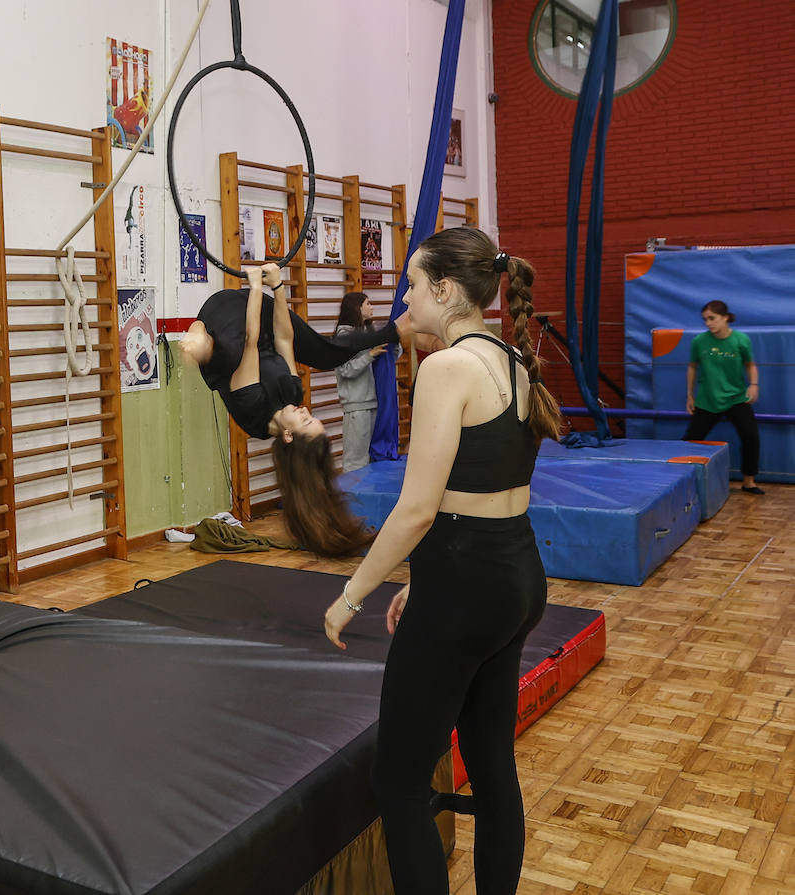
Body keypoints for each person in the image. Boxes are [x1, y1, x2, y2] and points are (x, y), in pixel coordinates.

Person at [322, 228, 561, 894]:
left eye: (411, 284)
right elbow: (477, 491)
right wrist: (425, 581)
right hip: (512, 577)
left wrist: (353, 594)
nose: (405, 298)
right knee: (491, 765)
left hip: (466, 585)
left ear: (444, 290)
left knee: (396, 781)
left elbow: (418, 508)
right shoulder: (511, 360)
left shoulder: (445, 367)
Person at [179, 263, 397, 556]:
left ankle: (195, 336)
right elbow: (284, 340)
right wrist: (278, 287)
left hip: (224, 321)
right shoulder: (292, 395)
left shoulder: (252, 409)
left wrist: (257, 286)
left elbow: (250, 343)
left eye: (306, 421)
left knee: (202, 347)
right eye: (314, 417)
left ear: (289, 436)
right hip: (261, 318)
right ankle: (396, 330)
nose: (307, 411)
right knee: (326, 354)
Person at [685, 300, 763, 494]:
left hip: (736, 398)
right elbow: (692, 367)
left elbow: (750, 364)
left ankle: (749, 481)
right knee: (691, 440)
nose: (708, 323)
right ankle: (682, 480)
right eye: (705, 320)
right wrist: (689, 395)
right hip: (708, 400)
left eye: (712, 318)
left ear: (725, 317)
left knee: (751, 437)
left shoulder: (741, 340)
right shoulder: (699, 342)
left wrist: (753, 385)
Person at [334, 291, 402, 473]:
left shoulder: (371, 332)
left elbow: (390, 358)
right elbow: (345, 370)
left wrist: (393, 344)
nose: (372, 307)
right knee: (356, 461)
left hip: (375, 403)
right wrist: (370, 355)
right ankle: (352, 500)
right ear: (357, 308)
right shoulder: (344, 336)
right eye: (368, 303)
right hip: (357, 407)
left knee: (374, 459)